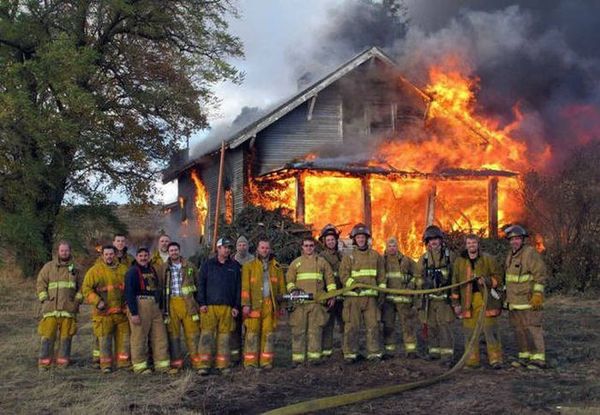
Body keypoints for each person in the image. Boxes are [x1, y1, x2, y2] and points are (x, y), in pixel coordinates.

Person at [451, 234, 503, 369]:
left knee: (490, 330)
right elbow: (455, 283)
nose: (471, 245)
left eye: (474, 243)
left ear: (478, 244)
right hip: (467, 302)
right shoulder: (460, 262)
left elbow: (499, 277)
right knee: (469, 331)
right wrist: (456, 304)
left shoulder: (488, 259)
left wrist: (486, 280)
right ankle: (472, 361)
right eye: (469, 243)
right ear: (466, 245)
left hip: (486, 300)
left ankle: (496, 360)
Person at [339, 223, 386, 363]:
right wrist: (353, 285)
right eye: (358, 237)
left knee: (373, 326)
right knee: (352, 327)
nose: (360, 239)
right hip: (353, 298)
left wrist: (381, 293)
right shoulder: (349, 257)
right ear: (354, 239)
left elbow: (382, 276)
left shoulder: (375, 255)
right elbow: (343, 275)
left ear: (367, 238)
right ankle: (350, 354)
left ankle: (374, 353)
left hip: (371, 298)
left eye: (363, 237)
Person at [286, 236, 336, 365]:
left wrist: (332, 295)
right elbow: (289, 280)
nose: (308, 248)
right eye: (306, 245)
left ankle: (314, 359)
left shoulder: (322, 262)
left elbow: (330, 280)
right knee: (298, 331)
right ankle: (298, 360)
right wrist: (293, 291)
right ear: (302, 248)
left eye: (311, 245)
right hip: (299, 304)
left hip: (316, 303)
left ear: (314, 247)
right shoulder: (296, 263)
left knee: (315, 332)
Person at [504, 224, 548, 370]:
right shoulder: (511, 255)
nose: (514, 241)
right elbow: (509, 279)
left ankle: (538, 359)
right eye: (512, 239)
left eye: (517, 239)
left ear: (523, 240)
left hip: (528, 301)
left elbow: (540, 275)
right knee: (519, 331)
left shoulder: (530, 253)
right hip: (514, 303)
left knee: (533, 329)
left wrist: (537, 294)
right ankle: (524, 357)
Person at [196, 238, 241, 375]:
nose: (227, 250)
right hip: (209, 307)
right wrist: (202, 303)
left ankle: (222, 364)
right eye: (224, 247)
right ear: (218, 248)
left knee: (224, 337)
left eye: (229, 248)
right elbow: (201, 285)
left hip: (227, 308)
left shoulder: (234, 266)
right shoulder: (208, 265)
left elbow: (238, 288)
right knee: (207, 336)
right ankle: (204, 365)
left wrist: (236, 306)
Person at [36, 241, 84, 370]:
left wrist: (76, 302)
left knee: (66, 338)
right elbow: (41, 284)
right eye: (62, 250)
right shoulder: (48, 267)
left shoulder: (76, 268)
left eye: (67, 250)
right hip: (50, 309)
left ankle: (63, 363)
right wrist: (44, 299)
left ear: (70, 251)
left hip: (68, 310)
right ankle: (44, 364)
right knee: (47, 336)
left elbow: (82, 287)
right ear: (58, 251)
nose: (64, 253)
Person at [82, 245, 130, 373]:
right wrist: (97, 301)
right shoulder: (94, 271)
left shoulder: (124, 269)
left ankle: (123, 364)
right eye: (106, 254)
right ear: (102, 255)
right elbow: (86, 289)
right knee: (105, 341)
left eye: (111, 254)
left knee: (124, 341)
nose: (109, 256)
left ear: (115, 255)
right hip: (104, 314)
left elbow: (129, 288)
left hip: (121, 313)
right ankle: (106, 366)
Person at [124, 248, 171, 374]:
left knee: (160, 336)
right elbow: (129, 293)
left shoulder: (152, 270)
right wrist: (134, 313)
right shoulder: (132, 271)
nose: (143, 258)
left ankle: (162, 365)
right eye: (141, 256)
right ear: (137, 257)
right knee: (139, 337)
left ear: (149, 256)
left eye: (146, 255)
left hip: (154, 306)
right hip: (140, 304)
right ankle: (140, 366)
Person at [241, 238, 285, 369]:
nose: (265, 250)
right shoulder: (249, 266)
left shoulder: (276, 267)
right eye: (262, 248)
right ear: (257, 249)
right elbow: (245, 288)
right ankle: (250, 362)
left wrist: (281, 306)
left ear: (270, 249)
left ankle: (266, 362)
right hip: (254, 305)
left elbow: (282, 289)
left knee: (268, 333)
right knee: (252, 333)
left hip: (269, 305)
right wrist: (245, 304)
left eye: (267, 248)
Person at [414, 225, 456, 363]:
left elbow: (456, 277)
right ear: (427, 242)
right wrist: (423, 285)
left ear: (440, 240)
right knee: (431, 326)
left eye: (436, 239)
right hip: (429, 300)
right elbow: (418, 277)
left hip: (444, 300)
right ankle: (434, 352)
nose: (434, 242)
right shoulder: (424, 259)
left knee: (444, 326)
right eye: (431, 240)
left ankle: (447, 356)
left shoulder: (449, 257)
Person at [158, 241, 200, 372]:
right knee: (173, 336)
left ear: (179, 251)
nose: (174, 252)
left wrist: (198, 303)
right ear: (168, 253)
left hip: (188, 304)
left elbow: (198, 285)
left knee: (193, 333)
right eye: (171, 251)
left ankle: (198, 363)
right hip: (171, 305)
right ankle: (177, 364)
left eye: (176, 250)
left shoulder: (190, 266)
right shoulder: (163, 268)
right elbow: (160, 287)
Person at [382, 236, 418, 358]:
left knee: (407, 325)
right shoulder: (382, 261)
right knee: (388, 326)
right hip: (388, 301)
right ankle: (389, 351)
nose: (392, 248)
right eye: (390, 246)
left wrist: (411, 286)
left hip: (404, 300)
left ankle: (411, 350)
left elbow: (418, 273)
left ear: (398, 247)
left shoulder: (406, 260)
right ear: (386, 248)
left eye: (394, 246)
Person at [318, 224, 344, 358]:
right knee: (328, 324)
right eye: (328, 240)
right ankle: (326, 352)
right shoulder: (321, 257)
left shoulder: (341, 255)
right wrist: (328, 295)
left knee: (345, 323)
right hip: (329, 296)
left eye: (332, 239)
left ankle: (347, 351)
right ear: (324, 242)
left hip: (342, 295)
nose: (331, 242)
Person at [231, 235, 254, 365]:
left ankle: (248, 354)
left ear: (248, 246)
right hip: (235, 300)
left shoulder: (253, 261)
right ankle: (235, 357)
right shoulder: (232, 261)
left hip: (249, 300)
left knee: (249, 329)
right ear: (236, 247)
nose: (242, 247)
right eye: (239, 245)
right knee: (235, 330)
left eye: (244, 245)